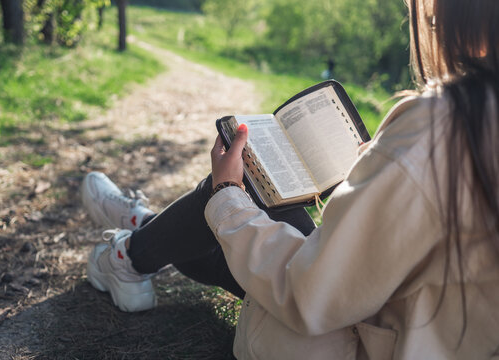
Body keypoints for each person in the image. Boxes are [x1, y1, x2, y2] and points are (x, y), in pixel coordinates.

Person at [82, 0, 499, 358]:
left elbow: (310, 292)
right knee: (260, 205)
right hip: (411, 326)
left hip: (358, 339)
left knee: (240, 195)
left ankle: (129, 253)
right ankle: (144, 231)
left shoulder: (447, 124)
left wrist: (227, 195)